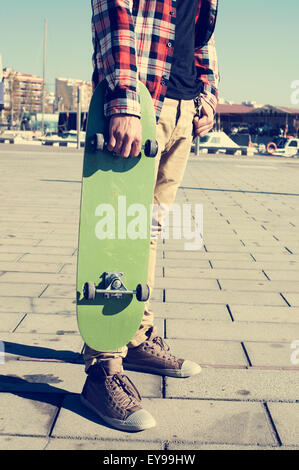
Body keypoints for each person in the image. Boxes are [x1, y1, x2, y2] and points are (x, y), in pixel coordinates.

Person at [80, 0, 219, 432]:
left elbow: (200, 32)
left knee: (147, 230)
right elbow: (112, 8)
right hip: (140, 99)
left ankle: (136, 336)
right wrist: (123, 97)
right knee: (115, 229)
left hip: (181, 108)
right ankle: (104, 364)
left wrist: (207, 96)